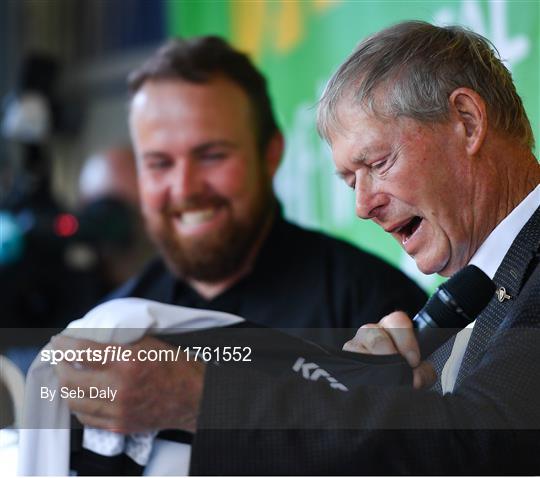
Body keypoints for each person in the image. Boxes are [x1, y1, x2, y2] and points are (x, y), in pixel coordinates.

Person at [51, 36, 427, 472]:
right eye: (159, 163)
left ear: (271, 154)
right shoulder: (109, 326)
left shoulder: (375, 308)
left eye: (211, 155)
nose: (186, 187)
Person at [179, 21, 540, 474]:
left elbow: (485, 446)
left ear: (467, 122)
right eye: (352, 181)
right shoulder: (470, 302)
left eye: (377, 164)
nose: (363, 207)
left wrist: (201, 400)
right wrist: (368, 394)